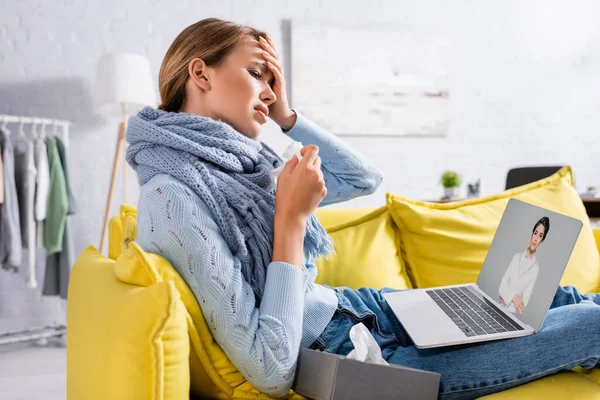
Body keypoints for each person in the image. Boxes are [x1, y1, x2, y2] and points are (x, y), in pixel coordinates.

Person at [126, 18, 600, 400]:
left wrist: (289, 118)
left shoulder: (237, 173)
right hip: (354, 355)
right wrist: (289, 221)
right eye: (257, 74)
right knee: (591, 324)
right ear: (200, 72)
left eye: (272, 81)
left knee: (557, 298)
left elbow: (363, 179)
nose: (269, 93)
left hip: (356, 308)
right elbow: (271, 370)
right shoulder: (174, 198)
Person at [498, 217, 549, 315]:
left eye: (540, 235)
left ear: (542, 240)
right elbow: (502, 285)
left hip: (513, 315)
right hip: (499, 308)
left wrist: (506, 296)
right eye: (535, 233)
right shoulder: (516, 257)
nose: (535, 238)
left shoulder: (535, 269)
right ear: (531, 234)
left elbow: (523, 304)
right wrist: (515, 297)